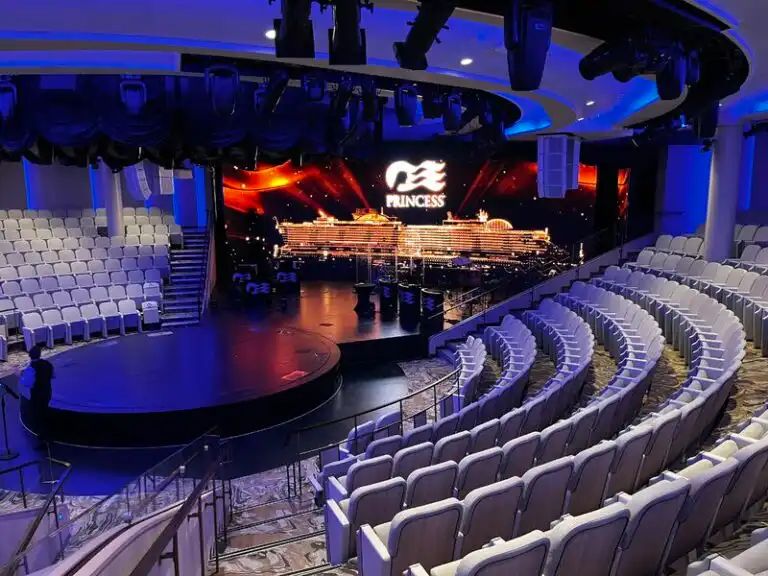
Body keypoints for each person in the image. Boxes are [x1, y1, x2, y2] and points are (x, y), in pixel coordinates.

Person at [19, 345, 54, 450]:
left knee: (39, 417)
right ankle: (48, 436)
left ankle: (43, 441)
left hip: (37, 395)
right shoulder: (48, 364)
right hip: (47, 393)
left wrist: (20, 375)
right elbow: (53, 375)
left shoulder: (31, 368)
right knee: (45, 413)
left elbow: (27, 383)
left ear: (30, 355)